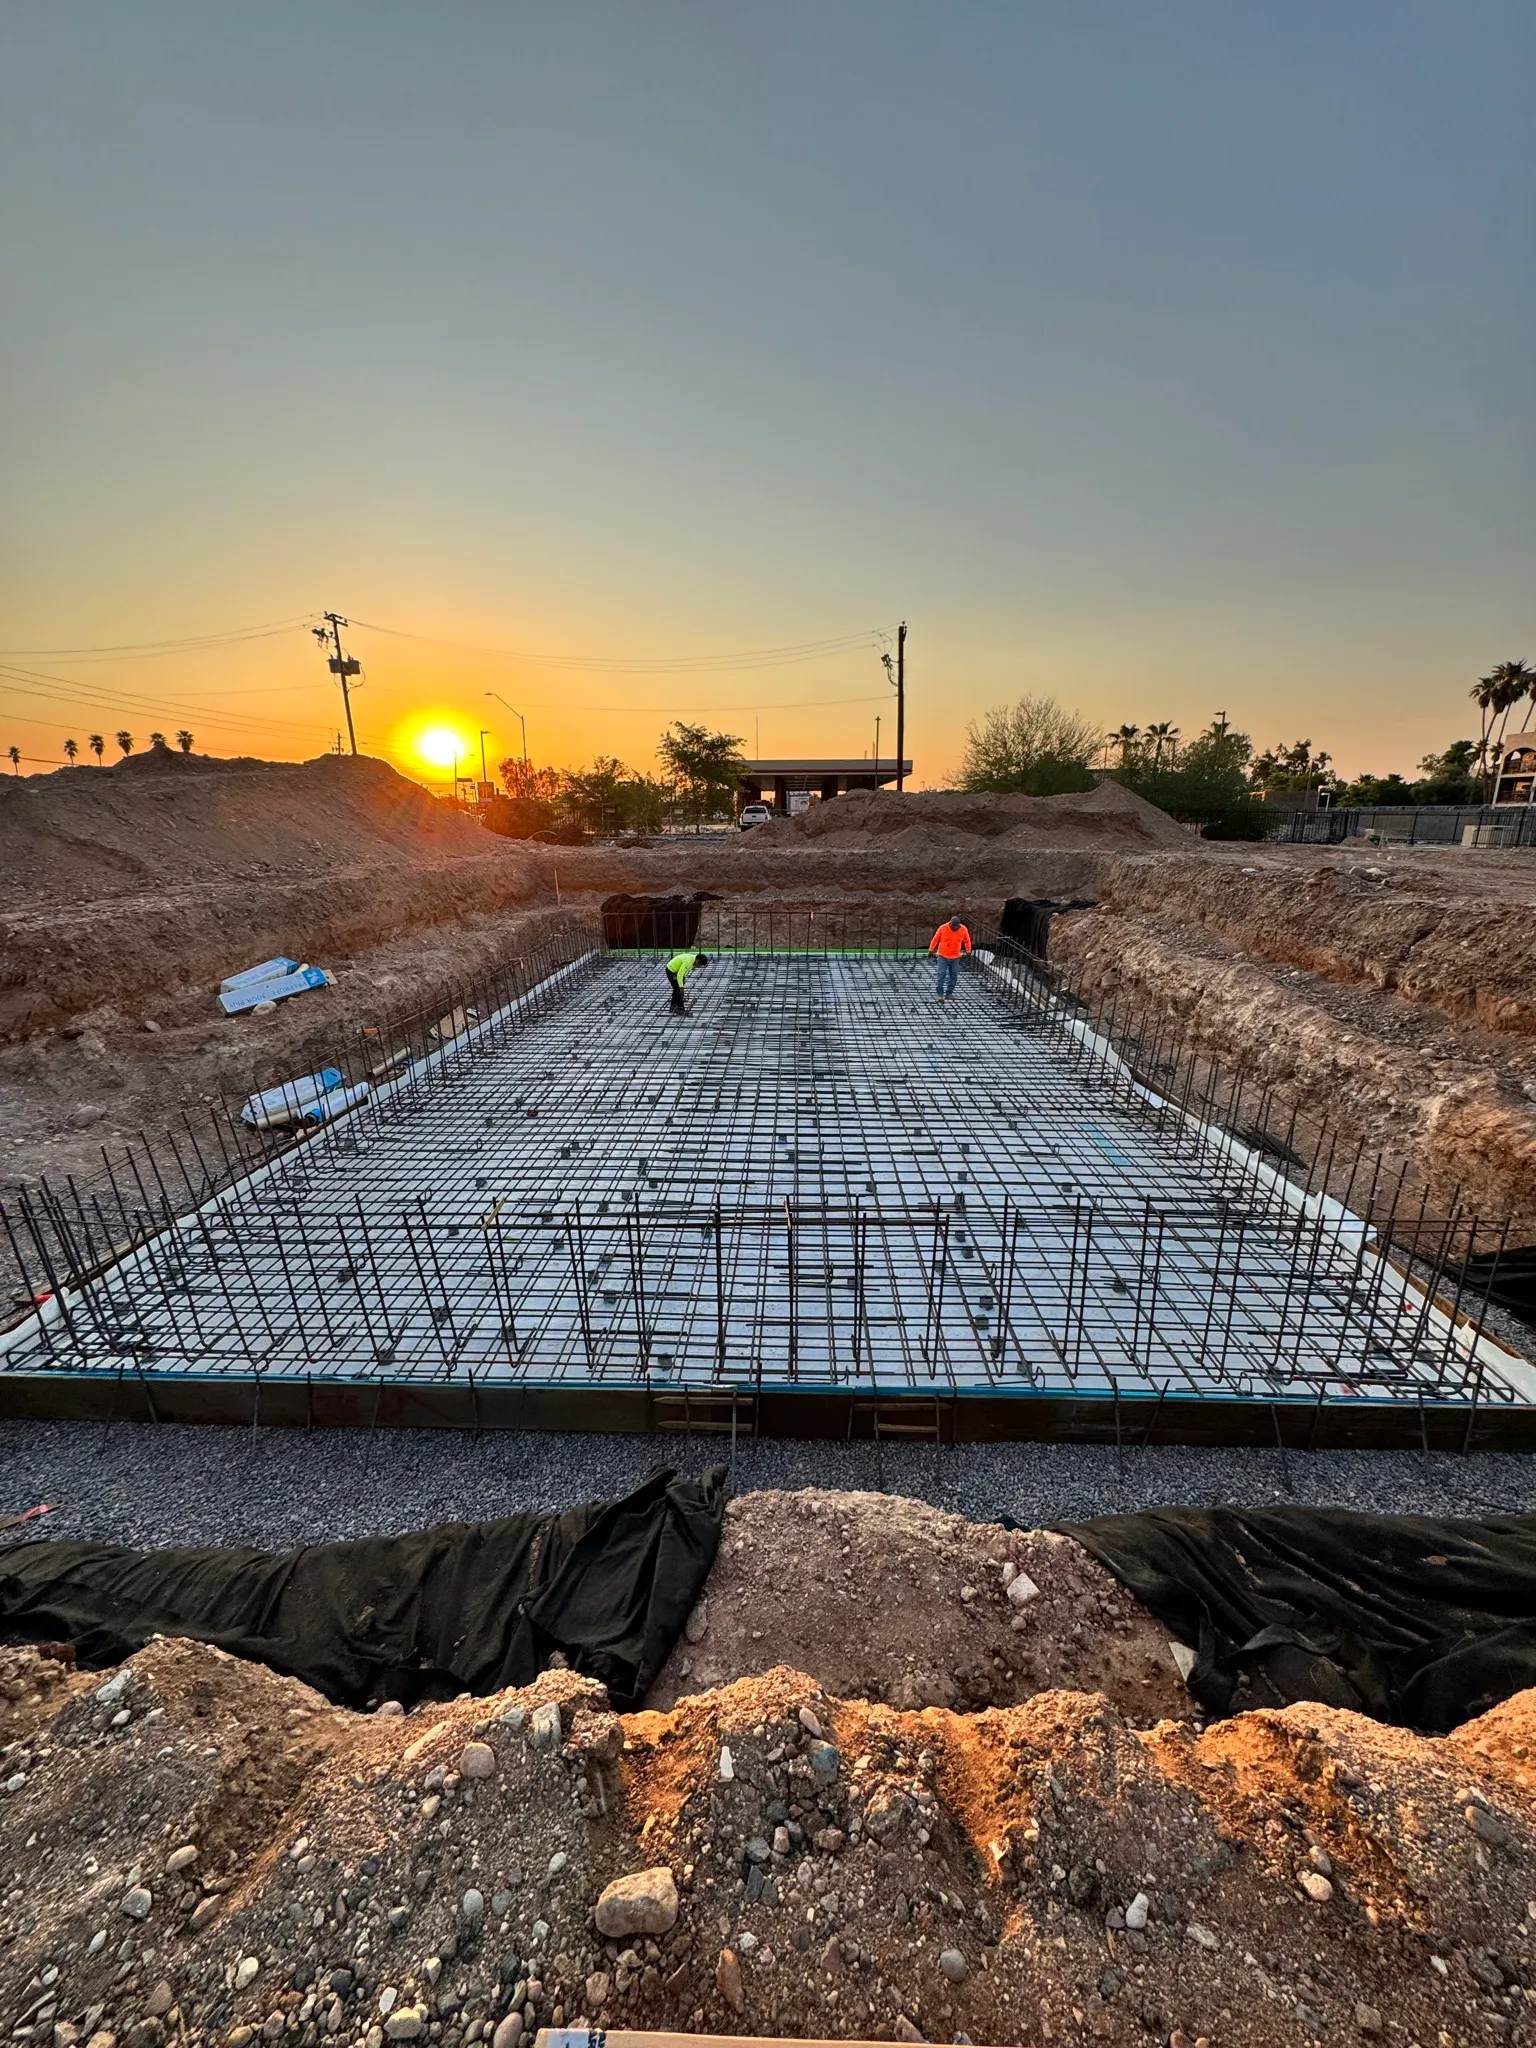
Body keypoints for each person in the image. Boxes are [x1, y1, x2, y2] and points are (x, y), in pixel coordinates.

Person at [927, 915, 972, 999]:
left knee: (954, 975)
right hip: (943, 956)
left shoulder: (963, 929)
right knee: (941, 974)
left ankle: (949, 993)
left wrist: (968, 951)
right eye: (954, 926)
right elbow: (935, 939)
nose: (956, 928)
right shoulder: (943, 928)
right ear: (950, 923)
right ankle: (940, 994)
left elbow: (967, 940)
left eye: (957, 926)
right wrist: (931, 950)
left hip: (955, 957)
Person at [664, 947, 710, 1015]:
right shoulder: (688, 962)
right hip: (671, 971)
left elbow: (684, 972)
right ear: (698, 961)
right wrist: (681, 987)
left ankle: (673, 1007)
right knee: (678, 990)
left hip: (676, 971)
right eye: (699, 965)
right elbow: (680, 974)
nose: (699, 967)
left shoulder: (693, 960)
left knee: (676, 989)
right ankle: (681, 1009)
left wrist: (683, 981)